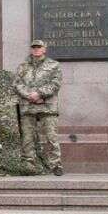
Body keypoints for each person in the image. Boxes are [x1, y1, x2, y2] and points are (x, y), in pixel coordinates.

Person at [14, 39, 64, 176]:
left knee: (51, 136)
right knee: (27, 138)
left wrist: (40, 93)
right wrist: (29, 95)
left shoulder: (53, 65)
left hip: (47, 106)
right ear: (31, 49)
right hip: (27, 106)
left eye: (39, 47)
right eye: (34, 47)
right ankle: (29, 164)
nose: (36, 49)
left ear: (44, 49)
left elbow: (55, 84)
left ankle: (55, 165)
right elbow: (17, 84)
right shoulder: (23, 66)